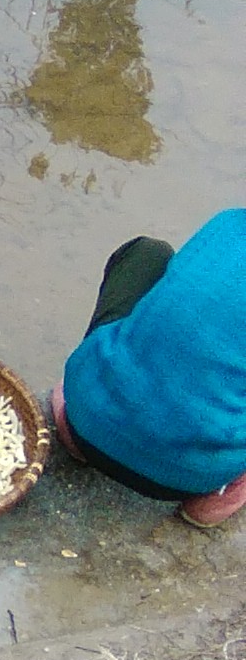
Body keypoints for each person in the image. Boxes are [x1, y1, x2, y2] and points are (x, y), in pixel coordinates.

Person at [49, 212, 246, 528]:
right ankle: (213, 501)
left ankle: (78, 408)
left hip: (88, 427)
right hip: (186, 478)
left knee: (148, 254)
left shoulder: (228, 223)